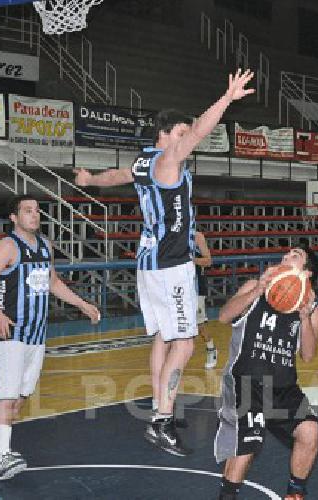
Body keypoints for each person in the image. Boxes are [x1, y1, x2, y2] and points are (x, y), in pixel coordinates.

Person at [74, 69, 256, 456]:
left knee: (163, 337)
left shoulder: (143, 162)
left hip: (148, 261)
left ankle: (162, 410)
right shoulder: (169, 159)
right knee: (186, 342)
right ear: (167, 134)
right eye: (180, 134)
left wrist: (89, 180)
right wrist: (226, 98)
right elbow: (198, 133)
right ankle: (162, 419)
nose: (185, 140)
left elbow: (116, 175)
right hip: (171, 263)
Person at [0, 194, 101, 480]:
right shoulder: (8, 246)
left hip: (36, 334)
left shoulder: (45, 246)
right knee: (6, 395)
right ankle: (4, 457)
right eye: (28, 211)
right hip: (9, 331)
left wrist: (82, 304)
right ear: (14, 217)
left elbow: (53, 282)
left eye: (37, 211)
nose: (35, 215)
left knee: (20, 398)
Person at [214, 246, 318, 500]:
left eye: (294, 256)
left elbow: (307, 355)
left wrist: (305, 318)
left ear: (306, 273)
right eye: (285, 254)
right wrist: (256, 291)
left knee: (310, 432)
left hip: (283, 388)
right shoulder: (256, 286)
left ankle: (295, 494)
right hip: (246, 383)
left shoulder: (312, 308)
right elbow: (223, 316)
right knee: (246, 447)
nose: (286, 257)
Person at [193, 230, 218, 368]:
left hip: (196, 287)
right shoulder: (172, 235)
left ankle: (211, 349)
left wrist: (192, 260)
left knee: (200, 324)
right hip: (178, 287)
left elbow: (208, 261)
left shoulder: (197, 237)